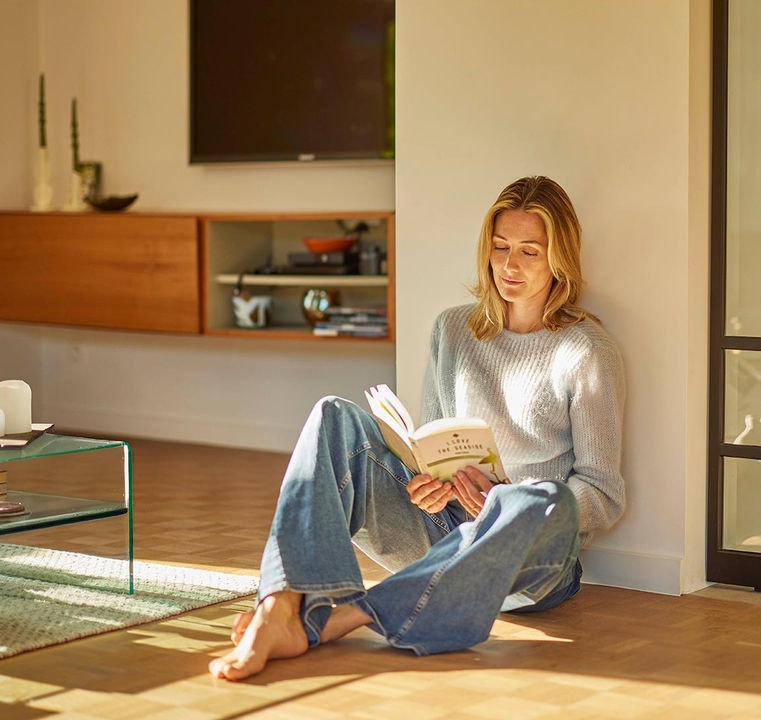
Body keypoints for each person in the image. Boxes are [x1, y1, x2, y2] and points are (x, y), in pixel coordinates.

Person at [210, 175, 626, 680]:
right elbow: (431, 444)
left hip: (532, 566)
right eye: (499, 248)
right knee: (331, 415)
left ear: (559, 258)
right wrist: (427, 486)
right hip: (442, 530)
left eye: (529, 252)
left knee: (543, 499)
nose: (509, 266)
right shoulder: (452, 329)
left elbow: (603, 495)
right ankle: (279, 607)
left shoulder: (586, 351)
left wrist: (507, 498)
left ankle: (342, 618)